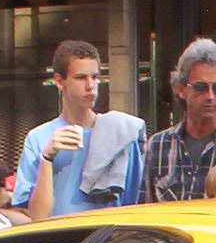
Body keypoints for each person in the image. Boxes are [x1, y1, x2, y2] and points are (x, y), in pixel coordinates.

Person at [13, 40, 145, 220]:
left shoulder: (122, 133)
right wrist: (46, 158)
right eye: (81, 77)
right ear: (59, 81)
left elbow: (133, 205)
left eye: (95, 77)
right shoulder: (38, 138)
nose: (91, 85)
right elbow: (36, 217)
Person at [138, 38, 216, 202]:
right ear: (181, 89)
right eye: (201, 87)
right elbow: (143, 210)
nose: (211, 96)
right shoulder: (157, 146)